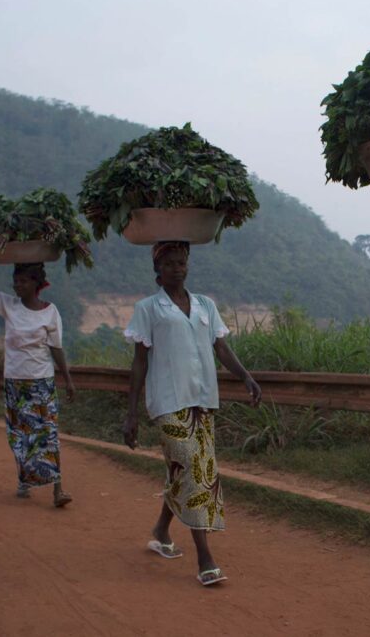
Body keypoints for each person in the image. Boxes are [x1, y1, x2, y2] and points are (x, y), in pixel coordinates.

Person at [122, 240, 262, 587]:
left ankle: (160, 530)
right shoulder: (148, 309)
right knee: (195, 470)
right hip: (168, 402)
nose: (177, 268)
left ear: (188, 265)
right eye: (169, 263)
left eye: (181, 262)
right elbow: (139, 362)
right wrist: (132, 413)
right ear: (158, 269)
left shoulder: (205, 305)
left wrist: (245, 376)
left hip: (202, 401)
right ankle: (205, 558)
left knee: (184, 472)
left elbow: (221, 347)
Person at [0, 252, 75, 507]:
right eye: (15, 281)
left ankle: (57, 490)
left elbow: (56, 348)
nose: (17, 286)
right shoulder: (8, 305)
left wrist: (68, 380)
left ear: (36, 283)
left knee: (48, 432)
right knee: (20, 435)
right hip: (15, 382)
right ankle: (25, 479)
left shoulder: (50, 312)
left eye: (23, 281)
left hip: (42, 382)